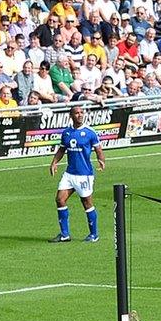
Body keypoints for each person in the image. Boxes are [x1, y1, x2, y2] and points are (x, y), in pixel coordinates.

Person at [49, 104, 105, 242]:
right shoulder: (66, 133)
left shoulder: (90, 132)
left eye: (81, 112)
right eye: (77, 113)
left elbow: (98, 149)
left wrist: (101, 160)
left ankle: (94, 234)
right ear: (71, 116)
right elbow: (62, 149)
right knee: (60, 200)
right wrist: (54, 162)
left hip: (84, 174)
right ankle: (64, 234)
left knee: (86, 203)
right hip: (69, 174)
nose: (80, 115)